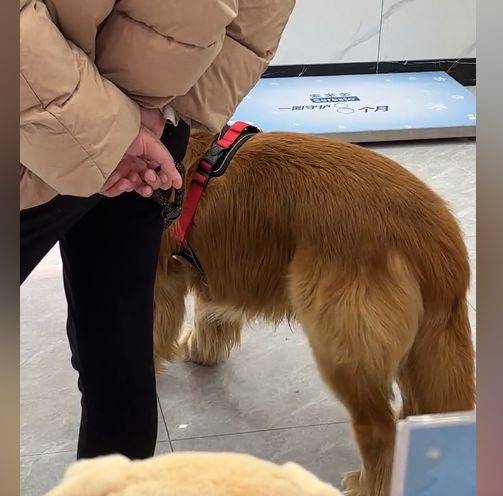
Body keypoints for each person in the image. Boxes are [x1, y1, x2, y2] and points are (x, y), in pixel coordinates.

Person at [20, 0, 294, 460]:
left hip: (117, 139)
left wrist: (160, 121)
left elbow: (254, 20)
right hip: (97, 131)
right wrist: (136, 125)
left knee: (121, 350)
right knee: (120, 345)